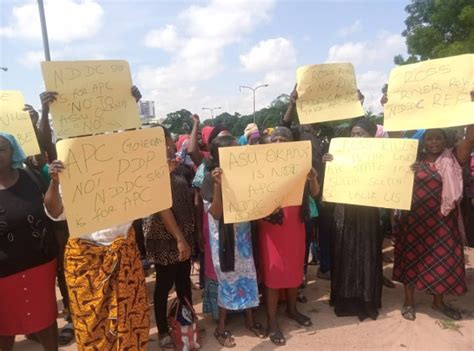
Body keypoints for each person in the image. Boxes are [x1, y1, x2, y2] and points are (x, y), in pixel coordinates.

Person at [393, 125, 474, 321]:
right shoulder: (412, 159)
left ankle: (438, 302)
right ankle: (409, 302)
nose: (434, 142)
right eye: (430, 138)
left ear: (445, 141)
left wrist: (471, 106)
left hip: (442, 222)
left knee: (443, 260)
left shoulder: (453, 158)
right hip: (413, 221)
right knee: (411, 259)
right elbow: (393, 144)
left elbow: (471, 139)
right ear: (424, 141)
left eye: (438, 138)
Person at [258, 126, 320, 346]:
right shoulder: (261, 168)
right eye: (275, 140)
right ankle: (272, 321)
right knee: (274, 274)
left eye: (283, 139)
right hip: (272, 227)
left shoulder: (300, 167)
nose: (278, 143)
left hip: (295, 223)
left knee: (294, 270)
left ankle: (293, 310)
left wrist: (312, 178)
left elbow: (314, 194)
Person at [202, 135, 264, 348]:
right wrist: (219, 185)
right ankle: (221, 328)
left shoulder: (244, 172)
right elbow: (216, 213)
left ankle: (250, 319)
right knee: (227, 276)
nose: (240, 151)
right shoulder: (210, 177)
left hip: (243, 232)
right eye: (234, 149)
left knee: (248, 272)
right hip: (224, 234)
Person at [0, 132, 58, 351]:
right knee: (5, 326)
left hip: (40, 266)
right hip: (3, 273)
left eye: (1, 149)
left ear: (13, 151)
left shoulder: (31, 177)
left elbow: (54, 208)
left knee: (46, 319)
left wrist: (54, 181)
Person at [326, 118, 384, 321]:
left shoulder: (381, 155)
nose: (356, 137)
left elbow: (392, 177)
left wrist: (406, 167)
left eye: (361, 133)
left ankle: (367, 299)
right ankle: (345, 298)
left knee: (367, 253)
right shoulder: (339, 155)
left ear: (371, 136)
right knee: (345, 252)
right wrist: (329, 163)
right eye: (353, 133)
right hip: (344, 210)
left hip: (368, 211)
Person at [143, 127, 194, 349]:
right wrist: (161, 173)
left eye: (164, 140)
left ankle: (186, 323)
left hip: (185, 232)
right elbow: (156, 203)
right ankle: (163, 330)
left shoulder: (181, 168)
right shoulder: (146, 171)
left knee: (184, 282)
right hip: (163, 237)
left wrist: (190, 236)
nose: (164, 144)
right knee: (164, 284)